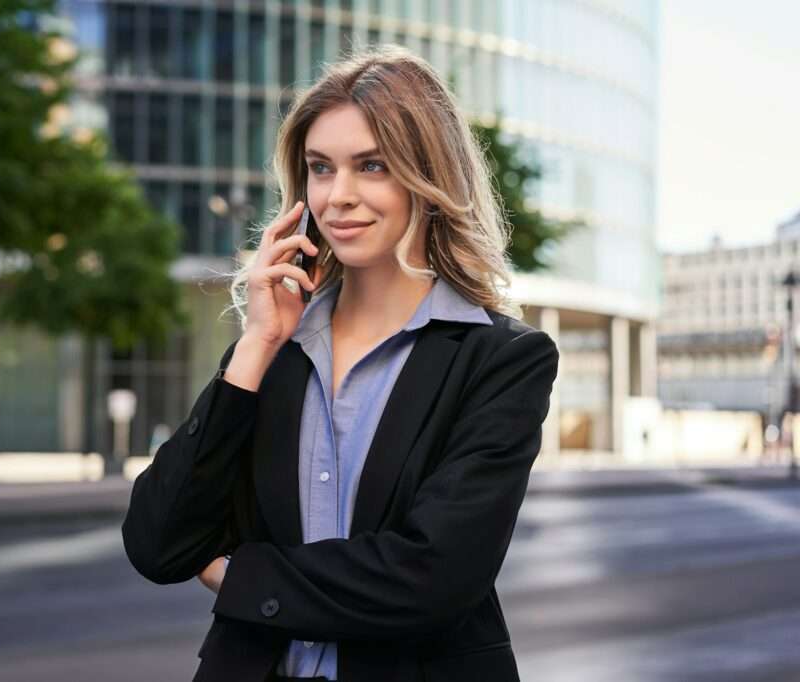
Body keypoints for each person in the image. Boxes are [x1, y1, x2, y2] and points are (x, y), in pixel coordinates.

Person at [122, 43, 560, 682]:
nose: (338, 196)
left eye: (372, 166)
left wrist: (243, 576)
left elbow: (434, 579)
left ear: (426, 175)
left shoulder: (502, 360)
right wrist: (255, 344)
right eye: (320, 168)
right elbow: (159, 542)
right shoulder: (275, 348)